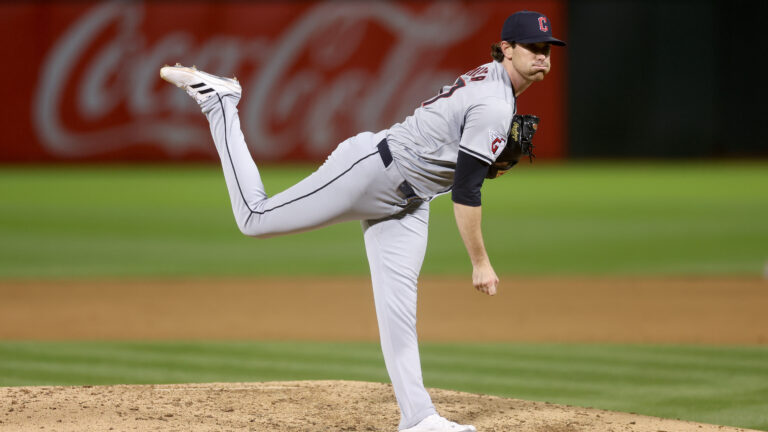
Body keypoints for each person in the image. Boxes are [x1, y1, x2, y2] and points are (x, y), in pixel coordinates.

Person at [160, 10, 564, 432]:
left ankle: (419, 417)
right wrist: (480, 261)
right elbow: (466, 192)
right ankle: (220, 103)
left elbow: (455, 150)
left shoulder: (497, 83)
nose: (542, 56)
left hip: (410, 200)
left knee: (399, 312)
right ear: (506, 49)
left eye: (547, 49)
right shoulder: (496, 103)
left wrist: (478, 160)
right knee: (254, 217)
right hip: (370, 172)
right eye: (533, 48)